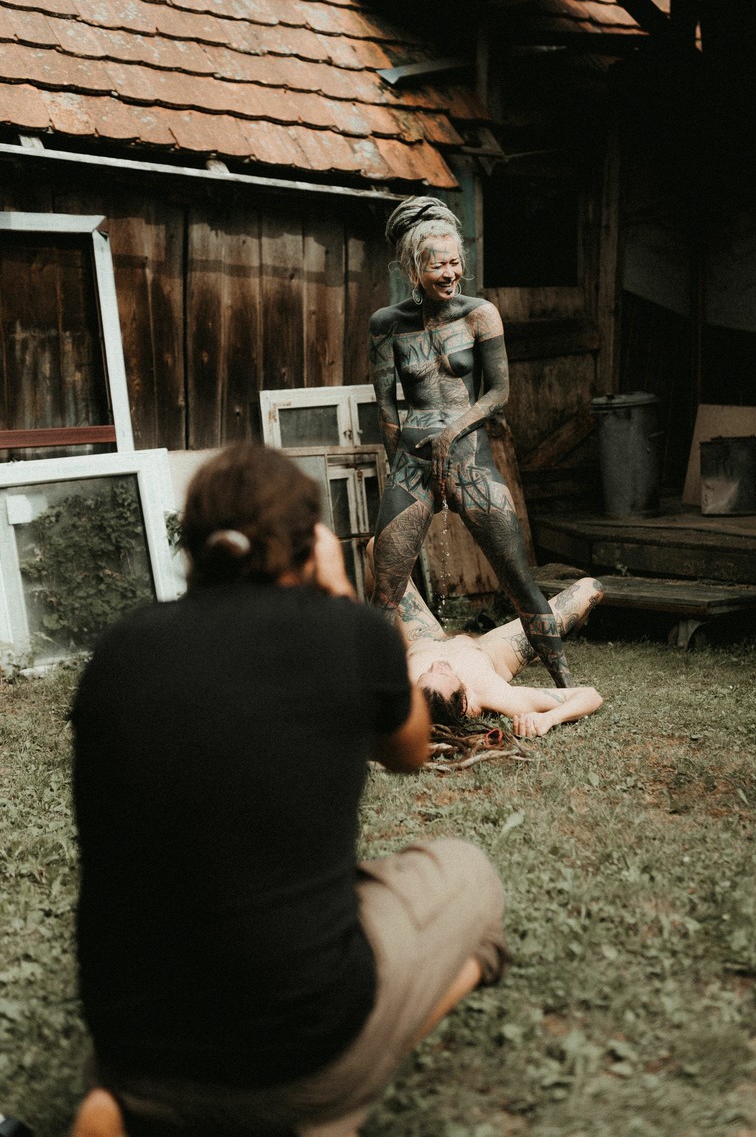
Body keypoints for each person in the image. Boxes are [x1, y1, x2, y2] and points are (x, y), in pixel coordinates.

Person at [70, 444, 508, 1137]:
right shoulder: (346, 633)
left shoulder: (119, 648)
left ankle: (122, 1109)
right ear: (310, 544)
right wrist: (340, 600)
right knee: (470, 876)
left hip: (130, 1056)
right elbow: (409, 751)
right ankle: (324, 1107)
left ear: (193, 545)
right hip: (297, 1049)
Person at [368, 195, 575, 690]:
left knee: (520, 579)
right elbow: (387, 407)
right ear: (413, 268)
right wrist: (401, 465)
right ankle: (368, 692)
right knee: (385, 590)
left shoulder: (480, 314)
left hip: (471, 462)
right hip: (412, 466)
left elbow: (498, 392)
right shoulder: (386, 325)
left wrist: (452, 433)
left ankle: (565, 682)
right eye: (437, 265)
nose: (450, 273)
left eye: (455, 262)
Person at [366, 538, 605, 738]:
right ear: (464, 704)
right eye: (444, 674)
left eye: (427, 672)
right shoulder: (491, 694)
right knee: (591, 588)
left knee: (378, 546)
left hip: (423, 635)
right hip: (492, 649)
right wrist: (549, 719)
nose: (437, 665)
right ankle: (568, 630)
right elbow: (590, 695)